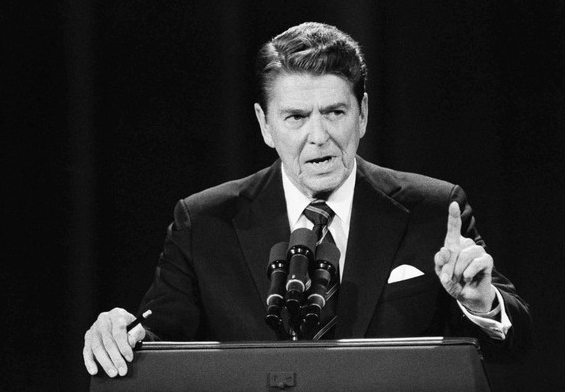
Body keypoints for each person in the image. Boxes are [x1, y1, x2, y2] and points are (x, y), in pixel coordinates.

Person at [83, 22, 531, 378]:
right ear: (264, 124)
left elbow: (515, 344)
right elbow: (160, 330)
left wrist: (480, 303)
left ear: (363, 114)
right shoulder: (205, 221)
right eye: (296, 117)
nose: (318, 137)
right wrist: (121, 332)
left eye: (334, 112)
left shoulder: (433, 210)